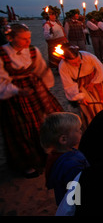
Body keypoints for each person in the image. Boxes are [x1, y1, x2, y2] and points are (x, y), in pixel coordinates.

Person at [0, 24, 64, 178]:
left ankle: (49, 154)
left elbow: (41, 69)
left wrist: (45, 88)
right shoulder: (2, 54)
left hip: (35, 89)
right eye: (23, 39)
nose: (28, 42)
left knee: (46, 122)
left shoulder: (33, 51)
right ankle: (29, 163)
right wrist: (17, 90)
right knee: (22, 129)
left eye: (29, 38)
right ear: (10, 38)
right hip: (14, 95)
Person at [40, 112, 89, 205]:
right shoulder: (72, 166)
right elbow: (76, 196)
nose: (81, 131)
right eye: (77, 130)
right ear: (63, 139)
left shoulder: (55, 155)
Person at [58, 43, 103, 129]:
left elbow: (100, 67)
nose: (77, 64)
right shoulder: (63, 66)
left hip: (93, 80)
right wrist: (79, 97)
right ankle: (93, 126)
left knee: (102, 101)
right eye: (74, 63)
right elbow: (68, 84)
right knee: (89, 107)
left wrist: (94, 82)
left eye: (78, 61)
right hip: (79, 85)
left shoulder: (88, 56)